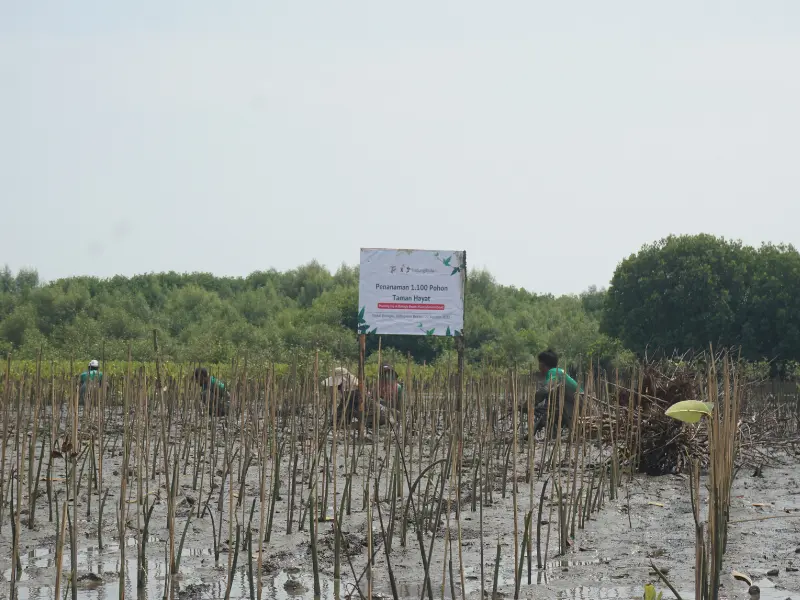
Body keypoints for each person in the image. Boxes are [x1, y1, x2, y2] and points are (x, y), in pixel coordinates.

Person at [531, 349, 581, 437]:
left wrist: (530, 403)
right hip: (577, 404)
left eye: (539, 363)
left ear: (542, 364)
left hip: (578, 406)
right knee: (550, 402)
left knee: (549, 404)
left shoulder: (553, 372)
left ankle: (567, 427)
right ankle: (553, 431)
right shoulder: (559, 371)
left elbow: (545, 390)